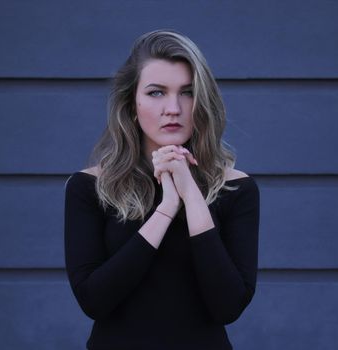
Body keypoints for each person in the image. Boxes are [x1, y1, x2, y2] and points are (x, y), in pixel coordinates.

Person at [64, 29, 259, 350]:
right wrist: (167, 207)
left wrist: (190, 192)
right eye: (156, 93)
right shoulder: (89, 187)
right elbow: (94, 301)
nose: (174, 108)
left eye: (187, 92)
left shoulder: (237, 188)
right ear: (131, 103)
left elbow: (228, 306)